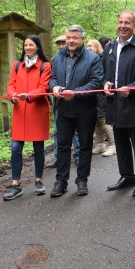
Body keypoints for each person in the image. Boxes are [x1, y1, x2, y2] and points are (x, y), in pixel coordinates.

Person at [49, 25, 104, 197]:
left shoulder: (93, 58)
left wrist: (76, 93)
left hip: (85, 110)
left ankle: (82, 180)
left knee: (85, 147)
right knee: (63, 146)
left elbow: (96, 82)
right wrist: (54, 87)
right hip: (63, 111)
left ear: (82, 38)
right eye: (68, 38)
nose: (71, 41)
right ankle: (61, 181)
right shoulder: (58, 57)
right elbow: (52, 78)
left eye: (75, 38)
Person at [103, 11, 135, 197]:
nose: (123, 26)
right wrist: (105, 83)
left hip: (133, 104)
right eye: (120, 22)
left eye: (127, 23)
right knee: (121, 143)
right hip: (114, 104)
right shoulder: (110, 47)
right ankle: (127, 176)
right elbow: (104, 72)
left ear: (134, 26)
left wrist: (131, 87)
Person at [3, 35, 52, 200]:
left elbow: (43, 88)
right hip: (20, 112)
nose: (28, 48)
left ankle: (38, 180)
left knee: (38, 148)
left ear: (37, 47)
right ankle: (15, 184)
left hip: (37, 111)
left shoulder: (45, 66)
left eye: (31, 45)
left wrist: (29, 96)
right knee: (16, 148)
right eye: (25, 45)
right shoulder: (17, 65)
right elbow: (10, 85)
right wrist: (13, 95)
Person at [46, 35, 81, 169]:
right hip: (58, 101)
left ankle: (77, 155)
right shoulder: (56, 59)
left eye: (62, 43)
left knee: (76, 131)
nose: (60, 46)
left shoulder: (75, 58)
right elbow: (51, 79)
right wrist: (54, 89)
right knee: (57, 130)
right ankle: (58, 157)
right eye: (58, 44)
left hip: (73, 99)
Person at [86, 39, 116, 157]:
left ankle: (113, 145)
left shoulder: (103, 59)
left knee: (104, 120)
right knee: (96, 120)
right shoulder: (89, 60)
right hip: (93, 94)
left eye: (91, 46)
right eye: (87, 46)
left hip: (102, 93)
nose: (88, 48)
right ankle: (99, 144)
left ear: (97, 47)